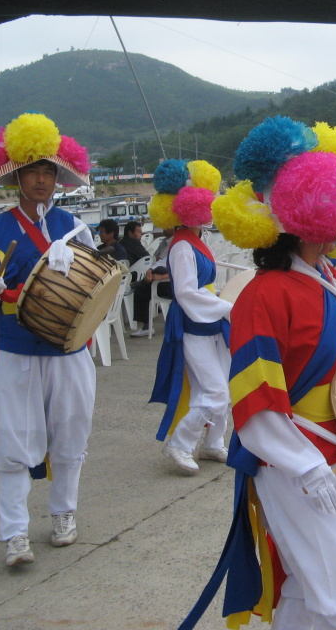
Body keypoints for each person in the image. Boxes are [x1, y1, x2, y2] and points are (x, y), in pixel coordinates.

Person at [177, 116, 336, 630]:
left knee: (309, 589)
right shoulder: (264, 294)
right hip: (291, 460)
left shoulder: (327, 276)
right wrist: (302, 464)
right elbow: (255, 402)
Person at [0, 112, 97, 568]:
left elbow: (96, 282)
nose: (41, 180)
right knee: (16, 438)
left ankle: (63, 513)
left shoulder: (76, 225)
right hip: (16, 340)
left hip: (68, 343)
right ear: (16, 175)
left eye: (49, 172)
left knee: (71, 430)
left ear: (58, 178)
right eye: (33, 171)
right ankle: (15, 532)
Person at [147, 159, 233, 475]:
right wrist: (228, 307)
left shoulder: (197, 240)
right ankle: (180, 444)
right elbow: (185, 293)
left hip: (209, 322)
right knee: (214, 391)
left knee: (222, 385)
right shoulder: (182, 246)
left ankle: (212, 443)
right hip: (193, 326)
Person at [129, 228, 173, 337]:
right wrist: (151, 270)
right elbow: (161, 260)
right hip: (170, 283)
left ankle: (140, 284)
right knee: (143, 289)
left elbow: (185, 271)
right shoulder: (174, 244)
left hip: (179, 287)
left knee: (156, 274)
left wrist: (161, 275)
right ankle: (146, 326)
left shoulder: (185, 245)